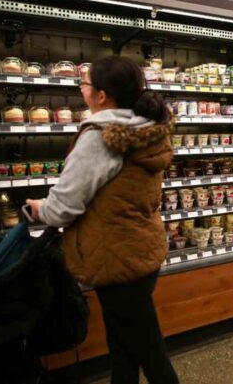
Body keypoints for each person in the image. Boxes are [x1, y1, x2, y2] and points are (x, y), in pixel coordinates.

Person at [26, 56, 180, 384]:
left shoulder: (100, 136)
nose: (81, 88)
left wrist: (40, 209)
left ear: (101, 96)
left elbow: (65, 205)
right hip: (140, 251)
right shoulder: (146, 126)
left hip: (115, 256)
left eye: (85, 83)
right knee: (124, 349)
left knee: (151, 355)